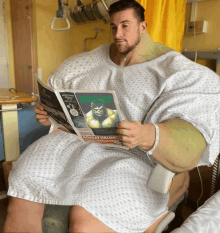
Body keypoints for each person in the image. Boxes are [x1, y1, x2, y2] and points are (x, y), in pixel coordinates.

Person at [4, 0, 220, 232]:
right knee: (25, 184)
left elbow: (188, 145)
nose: (118, 34)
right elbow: (62, 109)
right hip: (77, 147)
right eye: (113, 27)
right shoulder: (81, 66)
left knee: (85, 217)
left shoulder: (180, 75)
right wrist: (50, 116)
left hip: (133, 158)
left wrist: (147, 134)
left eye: (125, 26)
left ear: (143, 26)